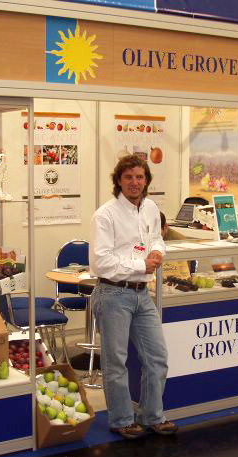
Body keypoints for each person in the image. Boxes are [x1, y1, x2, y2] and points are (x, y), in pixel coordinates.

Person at [89, 155, 178, 439]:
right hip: (113, 294)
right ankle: (122, 420)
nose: (134, 182)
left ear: (146, 181)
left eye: (140, 177)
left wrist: (157, 252)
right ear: (118, 180)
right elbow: (100, 262)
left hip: (142, 294)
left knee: (158, 358)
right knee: (116, 362)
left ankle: (152, 416)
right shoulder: (105, 215)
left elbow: (156, 239)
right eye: (128, 177)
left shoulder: (150, 208)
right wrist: (141, 265)